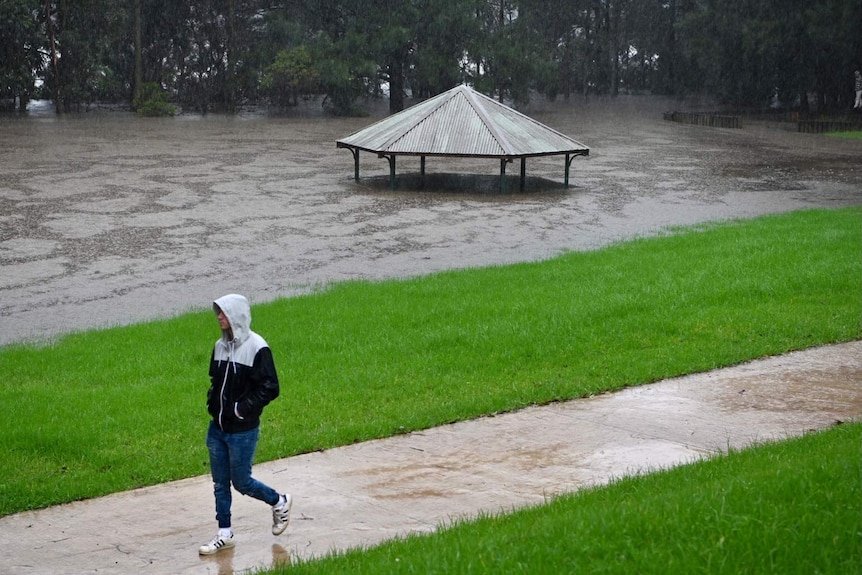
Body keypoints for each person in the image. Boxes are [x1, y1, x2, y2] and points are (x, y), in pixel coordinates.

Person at [199, 293, 292, 556]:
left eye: (223, 313)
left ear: (236, 315)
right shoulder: (219, 346)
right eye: (218, 312)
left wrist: (241, 409)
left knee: (241, 482)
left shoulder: (257, 347)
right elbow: (214, 381)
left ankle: (279, 501)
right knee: (219, 483)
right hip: (216, 428)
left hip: (242, 431)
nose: (219, 317)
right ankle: (224, 533)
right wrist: (212, 404)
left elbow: (270, 388)